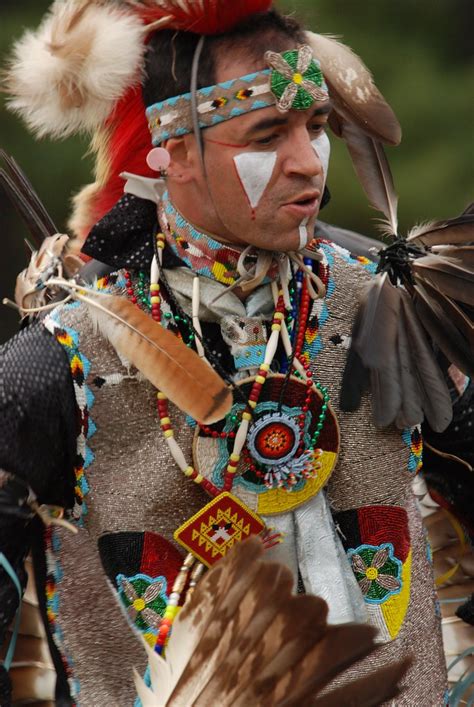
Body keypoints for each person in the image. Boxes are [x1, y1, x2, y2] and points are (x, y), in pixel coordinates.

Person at [0, 2, 450, 704]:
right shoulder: (58, 363)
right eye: (268, 133)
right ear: (172, 150)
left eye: (318, 126)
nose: (308, 162)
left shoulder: (396, 314)